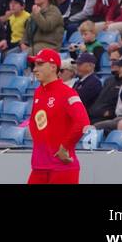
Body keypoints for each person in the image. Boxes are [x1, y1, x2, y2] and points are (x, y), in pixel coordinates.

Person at [26, 48, 90, 184]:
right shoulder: (38, 92)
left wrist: (65, 147)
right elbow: (35, 122)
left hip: (62, 168)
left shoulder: (68, 93)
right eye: (34, 65)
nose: (35, 69)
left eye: (40, 64)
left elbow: (82, 122)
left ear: (53, 67)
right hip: (39, 166)